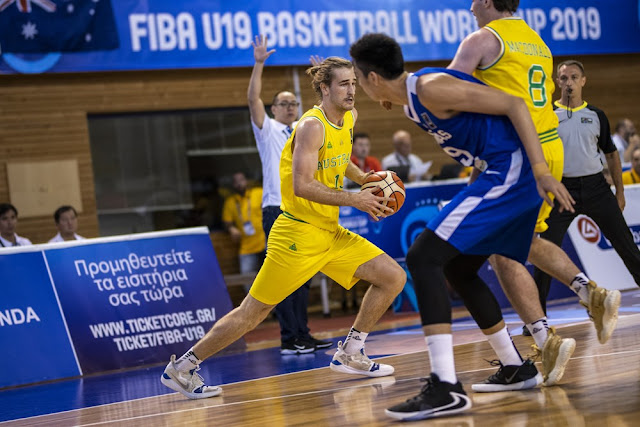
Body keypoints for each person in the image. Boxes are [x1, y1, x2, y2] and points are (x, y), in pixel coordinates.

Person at [349, 32, 574, 421]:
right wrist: (391, 96)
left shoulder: (431, 88)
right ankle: (515, 368)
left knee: (423, 257)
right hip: (499, 173)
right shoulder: (413, 101)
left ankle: (445, 386)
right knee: (458, 267)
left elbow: (515, 104)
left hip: (512, 172)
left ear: (371, 78)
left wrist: (541, 170)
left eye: (358, 78)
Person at [161, 56, 406, 400]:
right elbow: (301, 185)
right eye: (343, 84)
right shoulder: (311, 126)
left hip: (329, 232)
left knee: (393, 277)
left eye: (353, 83)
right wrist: (356, 199)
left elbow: (339, 160)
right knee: (253, 313)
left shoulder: (350, 117)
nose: (352, 90)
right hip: (297, 234)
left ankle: (351, 352)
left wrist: (365, 178)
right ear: (324, 88)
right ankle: (183, 367)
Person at [448, 0, 618, 362]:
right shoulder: (535, 40)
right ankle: (589, 294)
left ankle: (546, 340)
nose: (471, 6)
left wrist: (404, 95)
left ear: (489, 1)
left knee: (500, 246)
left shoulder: (483, 39)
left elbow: (445, 89)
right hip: (548, 146)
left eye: (475, 0)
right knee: (526, 240)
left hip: (521, 152)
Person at [248, 36, 332, 355]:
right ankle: (288, 338)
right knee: (284, 276)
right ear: (273, 109)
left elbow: (328, 111)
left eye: (293, 103)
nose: (290, 107)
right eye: (284, 104)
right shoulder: (267, 129)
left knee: (304, 275)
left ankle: (303, 334)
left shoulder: (303, 128)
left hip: (302, 210)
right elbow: (252, 99)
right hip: (276, 209)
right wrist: (259, 63)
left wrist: (323, 78)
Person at [534, 60, 640, 308]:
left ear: (583, 81)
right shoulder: (547, 116)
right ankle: (537, 318)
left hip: (596, 188)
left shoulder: (596, 115)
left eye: (574, 77)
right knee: (545, 252)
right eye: (563, 78)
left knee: (626, 245)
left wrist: (619, 192)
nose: (568, 82)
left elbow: (612, 155)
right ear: (557, 82)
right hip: (560, 190)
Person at [222, 171, 266, 284]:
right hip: (247, 244)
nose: (239, 184)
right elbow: (227, 221)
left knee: (273, 273)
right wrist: (231, 228)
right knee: (246, 277)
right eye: (236, 182)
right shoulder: (231, 202)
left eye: (241, 180)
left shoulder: (259, 193)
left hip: (265, 241)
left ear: (247, 181)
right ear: (233, 185)